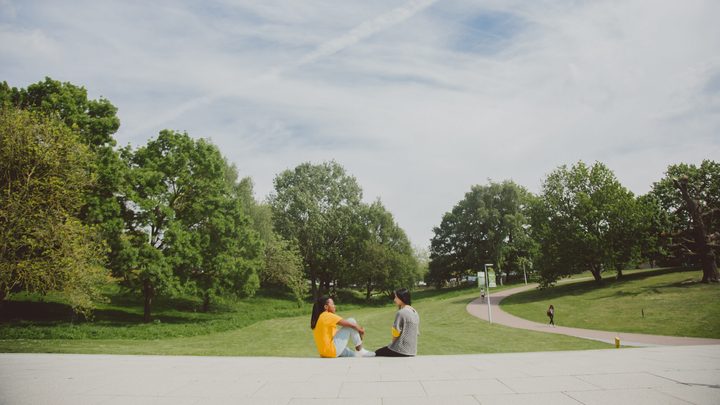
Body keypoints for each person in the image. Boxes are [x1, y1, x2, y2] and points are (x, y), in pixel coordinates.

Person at [310, 296, 375, 358]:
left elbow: (339, 334)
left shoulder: (321, 318)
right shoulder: (327, 315)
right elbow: (351, 324)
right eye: (332, 304)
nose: (334, 306)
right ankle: (360, 350)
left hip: (325, 353)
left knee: (355, 355)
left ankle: (360, 352)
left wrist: (357, 334)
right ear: (326, 307)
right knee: (351, 320)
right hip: (332, 351)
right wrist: (361, 331)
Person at [375, 289, 420, 357]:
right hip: (412, 351)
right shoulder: (415, 312)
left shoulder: (401, 313)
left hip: (400, 350)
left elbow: (396, 333)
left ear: (402, 298)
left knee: (377, 352)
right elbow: (416, 333)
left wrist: (391, 345)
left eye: (396, 297)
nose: (394, 300)